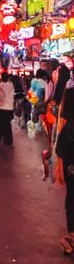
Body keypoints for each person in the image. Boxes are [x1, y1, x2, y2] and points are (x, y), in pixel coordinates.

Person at [56, 89, 74, 254]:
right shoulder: (69, 127)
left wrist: (60, 170)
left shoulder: (69, 127)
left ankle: (71, 238)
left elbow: (60, 150)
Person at [0, 71, 15, 149]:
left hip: (1, 108)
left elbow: (0, 97)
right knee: (7, 125)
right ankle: (8, 142)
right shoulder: (11, 85)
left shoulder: (0, 85)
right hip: (9, 108)